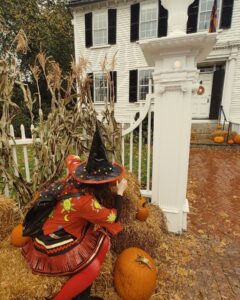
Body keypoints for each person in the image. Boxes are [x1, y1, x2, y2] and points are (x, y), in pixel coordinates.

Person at [22, 123, 127, 300]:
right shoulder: (86, 202)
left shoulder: (74, 174)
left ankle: (82, 293)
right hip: (52, 244)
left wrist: (76, 159)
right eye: (107, 181)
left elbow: (71, 158)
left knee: (100, 238)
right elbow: (113, 217)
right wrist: (120, 192)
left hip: (58, 229)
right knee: (96, 260)